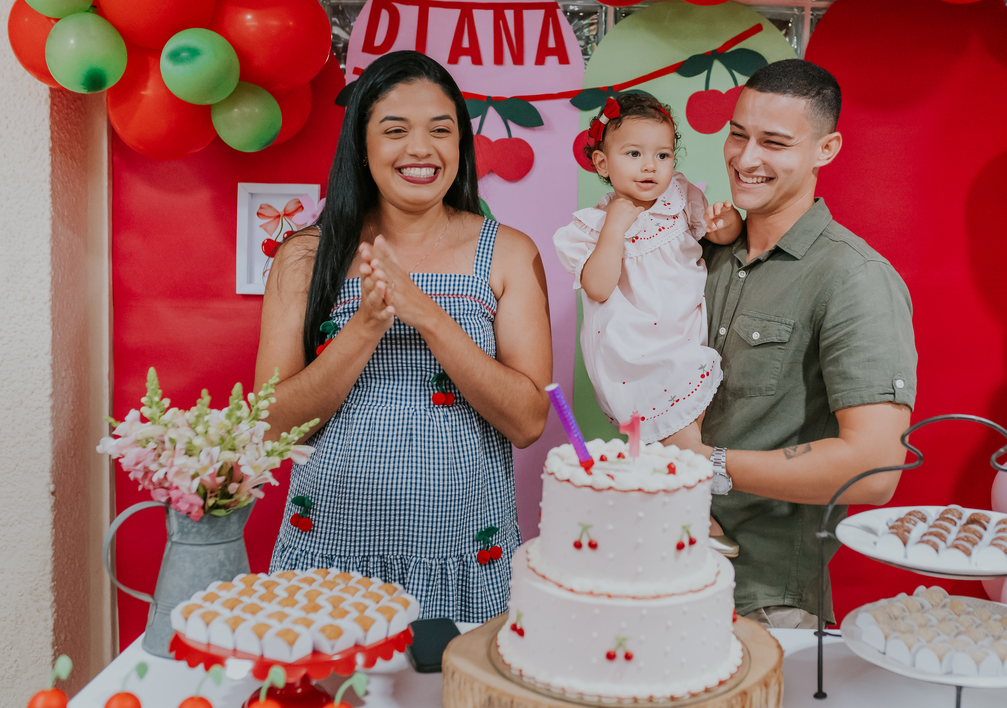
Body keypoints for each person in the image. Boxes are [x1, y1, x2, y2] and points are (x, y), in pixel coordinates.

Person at [255, 50, 553, 622]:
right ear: (362, 149)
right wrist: (365, 327)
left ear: (460, 146)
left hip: (465, 564)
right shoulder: (305, 257)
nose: (421, 149)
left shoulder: (509, 252)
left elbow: (527, 421)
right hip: (325, 563)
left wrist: (431, 318)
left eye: (441, 130)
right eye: (395, 131)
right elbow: (269, 426)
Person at [668, 59, 918, 629]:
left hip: (764, 599)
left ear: (825, 151)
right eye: (738, 134)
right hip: (660, 568)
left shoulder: (853, 277)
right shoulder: (700, 253)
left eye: (774, 143)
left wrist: (708, 465)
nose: (745, 158)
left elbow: (876, 468)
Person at [552, 92, 742, 450]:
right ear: (603, 163)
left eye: (662, 155)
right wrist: (614, 228)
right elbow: (598, 287)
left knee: (684, 445)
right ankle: (693, 502)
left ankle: (690, 498)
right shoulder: (590, 228)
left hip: (684, 340)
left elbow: (719, 236)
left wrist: (727, 222)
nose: (650, 166)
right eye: (634, 154)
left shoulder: (680, 199)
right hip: (635, 355)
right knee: (681, 451)